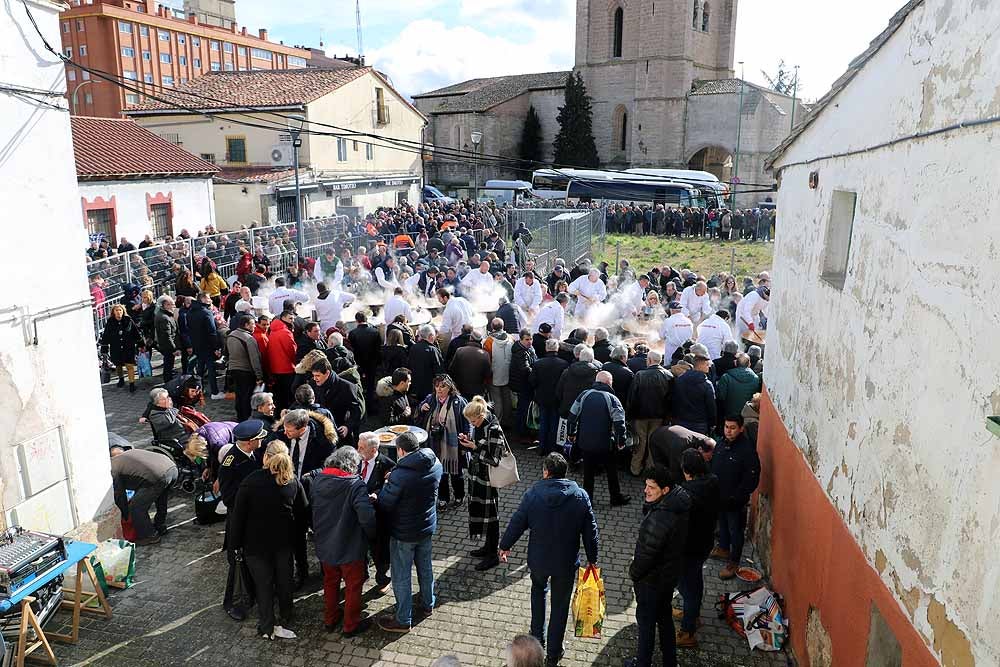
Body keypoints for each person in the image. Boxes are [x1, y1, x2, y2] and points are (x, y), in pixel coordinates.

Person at [499, 452, 597, 666]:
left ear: (545, 472)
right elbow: (590, 531)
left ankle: (536, 643)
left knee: (538, 593)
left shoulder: (532, 494)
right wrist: (593, 558)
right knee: (560, 606)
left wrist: (504, 546)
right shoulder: (580, 496)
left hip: (539, 560)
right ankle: (553, 653)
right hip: (566, 563)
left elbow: (517, 522)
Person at [228, 441, 306, 640]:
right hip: (284, 544)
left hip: (255, 546)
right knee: (284, 581)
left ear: (265, 457)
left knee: (263, 586)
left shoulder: (250, 481)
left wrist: (234, 546)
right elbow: (303, 513)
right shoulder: (292, 481)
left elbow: (237, 518)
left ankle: (267, 627)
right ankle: (286, 615)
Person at [375, 432, 443, 633]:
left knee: (401, 575)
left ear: (401, 450)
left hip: (403, 532)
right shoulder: (435, 464)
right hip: (426, 526)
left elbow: (386, 503)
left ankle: (403, 619)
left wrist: (387, 484)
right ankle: (428, 603)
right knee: (425, 567)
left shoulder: (400, 474)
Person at [625, 464, 691, 667]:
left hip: (651, 581)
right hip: (667, 578)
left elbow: (647, 555)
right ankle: (670, 661)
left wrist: (633, 572)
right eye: (646, 486)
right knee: (664, 618)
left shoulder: (659, 518)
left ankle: (643, 662)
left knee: (646, 625)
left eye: (651, 487)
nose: (646, 491)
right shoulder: (678, 504)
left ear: (665, 490)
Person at [311, 446, 376, 636]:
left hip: (325, 544)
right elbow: (366, 517)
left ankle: (330, 619)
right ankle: (351, 624)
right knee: (353, 586)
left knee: (330, 582)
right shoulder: (355, 485)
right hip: (350, 546)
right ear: (352, 465)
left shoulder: (318, 480)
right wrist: (371, 535)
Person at [219, 419, 266, 621]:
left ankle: (254, 593)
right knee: (237, 563)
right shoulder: (231, 463)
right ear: (250, 442)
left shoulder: (252, 453)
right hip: (240, 520)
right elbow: (229, 497)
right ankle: (232, 603)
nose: (262, 440)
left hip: (254, 519)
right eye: (259, 438)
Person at [675, 449, 721, 649]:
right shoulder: (713, 482)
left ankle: (688, 632)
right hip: (704, 542)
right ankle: (692, 615)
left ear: (687, 470)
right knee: (694, 581)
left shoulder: (686, 493)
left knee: (687, 586)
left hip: (689, 546)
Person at [459, 396, 508, 571]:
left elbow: (494, 459)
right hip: (477, 476)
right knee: (482, 513)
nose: (472, 424)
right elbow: (479, 446)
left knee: (491, 517)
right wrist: (468, 443)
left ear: (481, 416)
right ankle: (488, 547)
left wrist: (473, 448)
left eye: (473, 421)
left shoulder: (493, 428)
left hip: (488, 479)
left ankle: (493, 555)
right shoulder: (481, 425)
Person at [568, 371, 630, 507]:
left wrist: (571, 434)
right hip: (605, 444)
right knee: (611, 471)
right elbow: (620, 423)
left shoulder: (584, 395)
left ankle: (587, 500)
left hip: (585, 442)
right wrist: (621, 441)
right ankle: (615, 497)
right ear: (609, 383)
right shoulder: (612, 398)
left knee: (588, 473)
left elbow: (572, 415)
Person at [711, 415, 761, 579]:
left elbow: (751, 479)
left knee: (736, 532)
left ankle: (733, 562)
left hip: (735, 502)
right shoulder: (721, 443)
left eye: (732, 428)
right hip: (719, 498)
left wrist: (737, 496)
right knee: (723, 526)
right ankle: (723, 549)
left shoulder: (747, 451)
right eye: (726, 427)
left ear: (741, 429)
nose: (728, 431)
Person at [417, 375, 469, 509]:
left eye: (443, 386)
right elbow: (418, 413)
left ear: (450, 387)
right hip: (435, 443)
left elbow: (467, 423)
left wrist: (466, 441)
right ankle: (443, 498)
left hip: (454, 445)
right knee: (441, 473)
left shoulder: (459, 402)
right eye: (437, 386)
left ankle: (459, 496)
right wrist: (422, 408)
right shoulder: (430, 399)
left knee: (456, 473)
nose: (439, 389)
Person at [109, 447, 178, 546]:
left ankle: (150, 535)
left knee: (136, 508)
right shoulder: (128, 454)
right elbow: (139, 477)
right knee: (160, 497)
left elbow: (119, 494)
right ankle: (160, 525)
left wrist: (125, 513)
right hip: (171, 467)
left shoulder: (113, 467)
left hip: (157, 476)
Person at [357, 432, 395, 592]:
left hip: (377, 517)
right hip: (358, 514)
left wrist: (377, 495)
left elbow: (391, 488)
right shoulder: (355, 460)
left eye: (361, 447)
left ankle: (383, 578)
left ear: (373, 450)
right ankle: (362, 574)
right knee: (359, 547)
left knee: (379, 549)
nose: (357, 450)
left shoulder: (388, 465)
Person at [627, 350, 673, 476]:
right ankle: (650, 469)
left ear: (649, 360)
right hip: (659, 416)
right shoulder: (668, 376)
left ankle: (635, 469)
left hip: (640, 416)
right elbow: (671, 399)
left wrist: (630, 415)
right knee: (653, 443)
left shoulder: (640, 375)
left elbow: (632, 398)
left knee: (640, 443)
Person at [310, 359, 363, 446]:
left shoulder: (347, 387)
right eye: (314, 375)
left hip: (340, 432)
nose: (315, 378)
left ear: (327, 373)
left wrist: (347, 427)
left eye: (317, 375)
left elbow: (356, 411)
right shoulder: (313, 383)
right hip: (320, 432)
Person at [670, 346, 717, 436]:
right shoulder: (707, 384)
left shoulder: (680, 380)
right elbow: (711, 406)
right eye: (707, 364)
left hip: (681, 422)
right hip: (699, 424)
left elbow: (675, 400)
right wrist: (712, 423)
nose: (709, 367)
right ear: (701, 365)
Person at [226, 314, 264, 422]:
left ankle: (240, 416)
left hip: (233, 369)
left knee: (239, 394)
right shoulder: (249, 339)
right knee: (247, 396)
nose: (254, 326)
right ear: (246, 325)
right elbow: (255, 359)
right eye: (252, 324)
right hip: (246, 371)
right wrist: (259, 376)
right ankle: (246, 418)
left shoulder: (231, 335)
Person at [648, 425, 716, 483]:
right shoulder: (682, 446)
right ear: (700, 450)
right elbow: (675, 470)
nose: (707, 460)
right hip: (657, 440)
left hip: (672, 437)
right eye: (708, 458)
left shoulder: (706, 441)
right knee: (662, 470)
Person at [100, 303, 143, 393]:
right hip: (116, 347)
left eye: (120, 310)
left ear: (123, 311)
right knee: (118, 365)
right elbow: (106, 336)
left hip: (128, 347)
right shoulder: (110, 322)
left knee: (129, 365)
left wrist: (141, 344)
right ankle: (121, 379)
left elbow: (136, 333)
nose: (118, 312)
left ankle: (132, 383)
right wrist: (104, 348)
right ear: (113, 312)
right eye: (116, 310)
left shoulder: (128, 320)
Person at [188, 291, 223, 399]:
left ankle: (199, 389)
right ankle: (215, 392)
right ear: (202, 299)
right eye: (208, 298)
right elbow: (212, 331)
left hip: (197, 345)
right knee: (211, 369)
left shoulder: (190, 312)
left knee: (200, 368)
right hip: (207, 345)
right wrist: (216, 347)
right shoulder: (206, 312)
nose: (211, 300)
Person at [716, 354, 762, 426]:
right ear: (749, 364)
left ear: (735, 363)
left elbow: (721, 397)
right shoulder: (756, 379)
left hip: (729, 415)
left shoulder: (726, 377)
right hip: (746, 416)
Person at [266, 309, 298, 412]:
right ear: (283, 318)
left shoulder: (272, 331)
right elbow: (292, 351)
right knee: (288, 396)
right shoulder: (285, 332)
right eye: (290, 318)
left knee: (279, 396)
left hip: (275, 368)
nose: (292, 321)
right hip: (286, 368)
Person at [348, 312, 383, 400]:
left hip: (358, 363)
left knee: (359, 384)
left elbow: (351, 350)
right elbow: (378, 349)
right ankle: (371, 404)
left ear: (356, 320)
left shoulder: (352, 333)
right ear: (366, 319)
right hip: (372, 363)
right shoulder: (375, 332)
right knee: (371, 385)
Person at [449, 331, 492, 400]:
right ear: (480, 340)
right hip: (477, 391)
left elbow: (452, 370)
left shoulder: (460, 351)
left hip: (461, 389)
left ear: (470, 338)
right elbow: (488, 374)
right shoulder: (485, 355)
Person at [407, 325, 443, 405]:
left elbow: (409, 365)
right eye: (434, 336)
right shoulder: (433, 350)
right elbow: (439, 370)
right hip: (429, 387)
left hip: (415, 386)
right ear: (430, 336)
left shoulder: (413, 347)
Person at [154, 295, 178, 382]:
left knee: (169, 364)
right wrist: (174, 348)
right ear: (165, 305)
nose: (173, 306)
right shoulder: (164, 317)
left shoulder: (164, 315)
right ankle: (168, 381)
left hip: (166, 344)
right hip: (167, 346)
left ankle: (168, 379)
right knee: (168, 364)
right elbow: (167, 335)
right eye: (171, 304)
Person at [602, 344, 634, 408]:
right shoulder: (628, 373)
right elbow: (631, 392)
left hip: (605, 401)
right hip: (620, 404)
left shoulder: (604, 366)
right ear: (623, 357)